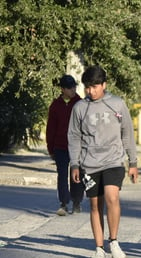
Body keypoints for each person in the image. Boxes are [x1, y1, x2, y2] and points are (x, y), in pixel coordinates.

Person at [68, 65, 138, 258]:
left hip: (114, 160)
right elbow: (73, 136)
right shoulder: (80, 108)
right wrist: (75, 163)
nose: (91, 91)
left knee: (112, 196)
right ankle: (99, 249)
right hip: (89, 164)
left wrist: (132, 161)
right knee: (95, 204)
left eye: (95, 86)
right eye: (88, 87)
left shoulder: (116, 104)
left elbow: (127, 132)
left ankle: (113, 241)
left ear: (104, 85)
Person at [46, 74, 84, 216]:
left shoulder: (80, 103)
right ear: (62, 89)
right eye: (69, 88)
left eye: (74, 86)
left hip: (77, 146)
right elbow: (51, 128)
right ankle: (63, 202)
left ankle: (76, 201)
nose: (72, 90)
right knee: (62, 175)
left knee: (76, 174)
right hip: (60, 146)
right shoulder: (55, 106)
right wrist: (50, 147)